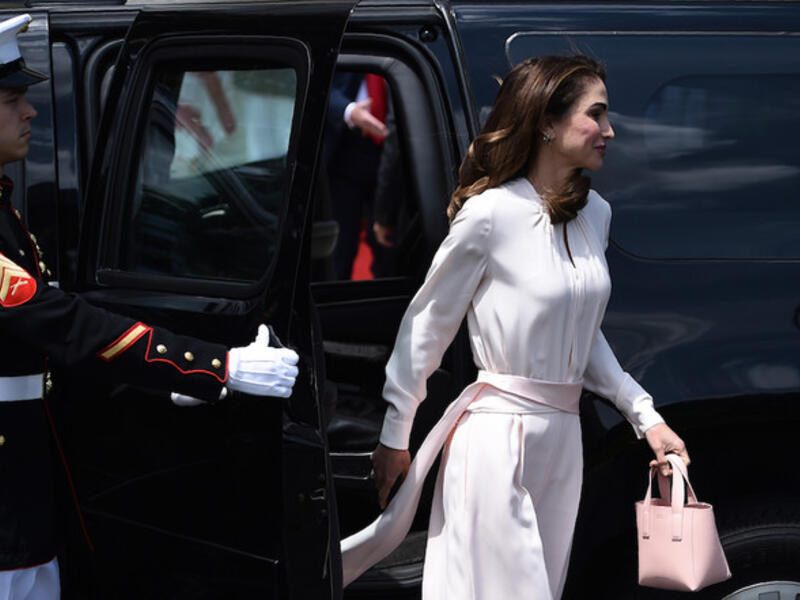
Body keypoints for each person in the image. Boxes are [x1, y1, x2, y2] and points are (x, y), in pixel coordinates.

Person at [340, 54, 690, 599]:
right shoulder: (489, 215)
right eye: (596, 114)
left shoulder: (595, 214)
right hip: (496, 440)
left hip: (561, 445)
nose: (609, 130)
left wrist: (645, 417)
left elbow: (582, 329)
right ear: (546, 123)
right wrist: (395, 434)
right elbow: (426, 328)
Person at [0, 14, 299, 600]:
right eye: (12, 100)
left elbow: (44, 350)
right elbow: (59, 322)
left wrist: (169, 380)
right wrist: (217, 365)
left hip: (27, 488)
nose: (30, 111)